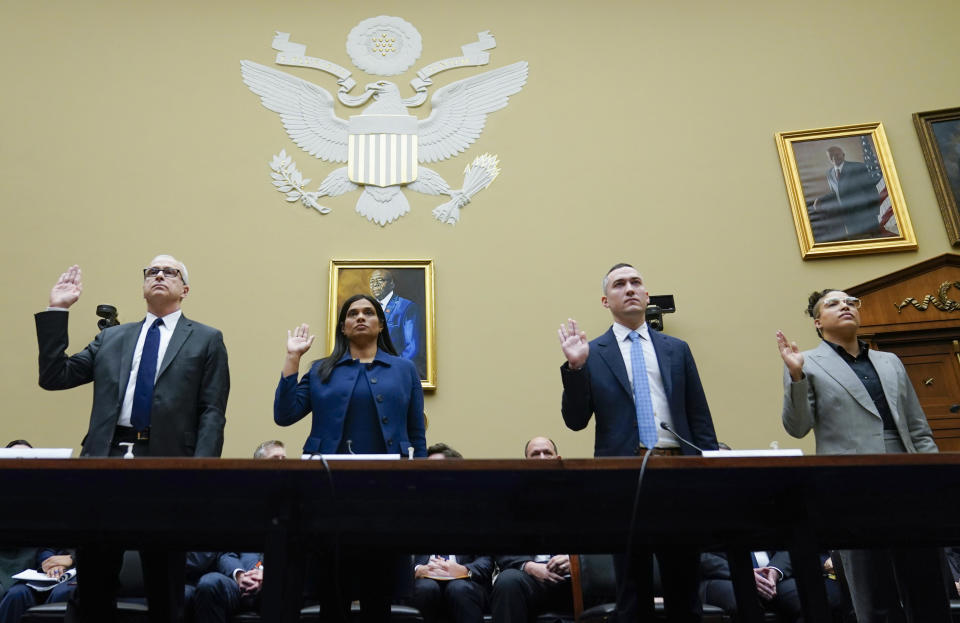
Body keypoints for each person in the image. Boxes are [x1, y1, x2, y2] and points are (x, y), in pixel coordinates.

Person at [34, 256, 231, 623]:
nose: (158, 274)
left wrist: (203, 473)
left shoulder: (206, 339)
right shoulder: (113, 337)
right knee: (94, 578)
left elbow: (212, 412)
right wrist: (57, 309)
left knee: (164, 579)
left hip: (167, 466)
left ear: (184, 290)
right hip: (103, 462)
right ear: (143, 286)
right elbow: (55, 375)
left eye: (169, 271)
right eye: (151, 271)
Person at [777, 289, 950, 623]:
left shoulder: (890, 362)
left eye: (851, 302)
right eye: (833, 303)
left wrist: (936, 479)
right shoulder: (805, 362)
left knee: (927, 586)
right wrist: (796, 376)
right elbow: (797, 428)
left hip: (908, 480)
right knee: (873, 592)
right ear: (818, 322)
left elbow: (918, 428)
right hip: (851, 486)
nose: (845, 306)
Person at [558, 263, 718, 623]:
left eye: (636, 283)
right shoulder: (591, 352)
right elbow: (575, 421)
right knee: (632, 594)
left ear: (646, 295)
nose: (629, 289)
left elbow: (699, 418)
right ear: (605, 300)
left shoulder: (677, 349)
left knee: (684, 589)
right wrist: (576, 369)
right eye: (619, 284)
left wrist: (707, 471)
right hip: (623, 478)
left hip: (678, 472)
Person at [275, 294, 426, 622]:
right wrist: (292, 358)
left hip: (386, 492)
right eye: (353, 313)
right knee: (333, 586)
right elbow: (284, 415)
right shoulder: (321, 370)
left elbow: (417, 435)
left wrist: (420, 483)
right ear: (343, 327)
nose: (361, 317)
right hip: (328, 492)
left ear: (381, 323)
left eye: (368, 313)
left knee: (379, 587)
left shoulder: (403, 371)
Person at [491, 437, 571, 623]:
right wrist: (529, 567)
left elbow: (598, 541)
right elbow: (501, 546)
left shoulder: (579, 495)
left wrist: (576, 561)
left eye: (547, 453)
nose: (542, 458)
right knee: (507, 581)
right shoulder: (511, 501)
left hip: (575, 580)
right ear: (526, 462)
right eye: (535, 454)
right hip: (532, 581)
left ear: (557, 458)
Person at [410, 443, 493, 623]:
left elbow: (487, 559)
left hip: (466, 582)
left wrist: (465, 570)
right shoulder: (412, 511)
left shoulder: (476, 511)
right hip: (424, 581)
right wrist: (417, 570)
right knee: (426, 588)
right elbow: (398, 555)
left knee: (459, 588)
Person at [810, 146, 882, 242]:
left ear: (843, 155)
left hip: (866, 216)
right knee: (859, 246)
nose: (834, 158)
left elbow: (871, 189)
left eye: (836, 155)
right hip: (848, 218)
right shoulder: (830, 173)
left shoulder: (858, 167)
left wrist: (875, 211)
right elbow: (836, 192)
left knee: (877, 243)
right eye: (831, 156)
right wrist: (820, 199)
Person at [369, 269, 425, 378]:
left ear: (392, 284)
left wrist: (392, 369)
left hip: (394, 373)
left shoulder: (407, 307)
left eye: (380, 280)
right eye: (372, 281)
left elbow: (412, 348)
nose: (375, 284)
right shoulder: (366, 307)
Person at [0, 549, 75, 622]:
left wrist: (73, 558)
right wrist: (51, 563)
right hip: (48, 571)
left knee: (61, 593)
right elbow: (47, 548)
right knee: (16, 594)